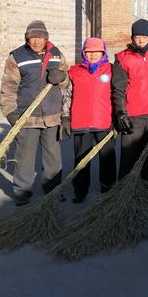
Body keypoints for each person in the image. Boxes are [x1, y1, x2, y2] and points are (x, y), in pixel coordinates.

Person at [0, 20, 69, 206]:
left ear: (46, 38)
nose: (36, 41)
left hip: (52, 117)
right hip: (27, 118)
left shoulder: (57, 55)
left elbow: (67, 85)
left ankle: (53, 190)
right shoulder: (17, 57)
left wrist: (62, 77)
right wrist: (11, 112)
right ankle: (22, 192)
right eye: (32, 37)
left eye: (40, 37)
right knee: (24, 158)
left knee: (53, 159)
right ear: (27, 39)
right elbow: (8, 87)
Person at [112, 19, 148, 186]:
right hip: (133, 116)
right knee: (129, 157)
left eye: (144, 36)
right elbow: (118, 89)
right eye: (137, 37)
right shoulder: (123, 58)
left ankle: (147, 190)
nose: (141, 40)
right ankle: (124, 191)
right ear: (132, 38)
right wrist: (121, 112)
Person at [60, 37, 117, 203]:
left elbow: (118, 95)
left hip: (104, 121)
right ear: (83, 53)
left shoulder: (111, 70)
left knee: (107, 157)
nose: (93, 55)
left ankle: (107, 187)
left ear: (103, 53)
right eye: (89, 52)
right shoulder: (74, 71)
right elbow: (67, 96)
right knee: (81, 159)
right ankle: (80, 190)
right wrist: (65, 117)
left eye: (97, 51)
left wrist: (118, 117)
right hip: (81, 122)